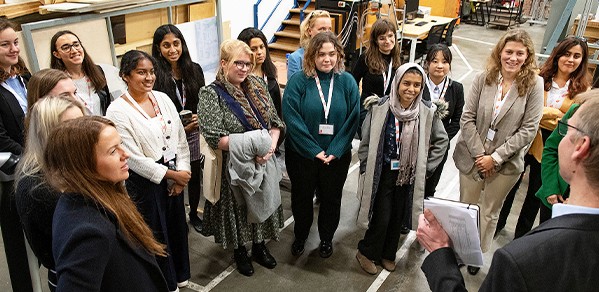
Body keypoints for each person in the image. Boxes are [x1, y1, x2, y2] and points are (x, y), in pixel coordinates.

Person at [417, 96, 599, 292]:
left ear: (581, 147)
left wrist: (440, 253)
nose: (559, 137)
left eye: (566, 129)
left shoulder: (522, 259)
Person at [452, 29, 543, 274]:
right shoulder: (485, 78)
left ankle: (475, 255)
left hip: (506, 165)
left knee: (489, 212)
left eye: (519, 53)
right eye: (509, 52)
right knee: (466, 207)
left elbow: (529, 129)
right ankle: (460, 250)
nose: (513, 58)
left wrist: (496, 157)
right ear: (500, 52)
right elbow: (467, 117)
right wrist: (480, 154)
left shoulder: (534, 85)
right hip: (473, 158)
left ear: (528, 56)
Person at [45, 116, 168, 291]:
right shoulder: (88, 233)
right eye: (112, 151)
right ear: (83, 165)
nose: (125, 154)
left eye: (121, 145)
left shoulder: (94, 199)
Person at [106, 50, 191, 292]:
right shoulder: (117, 110)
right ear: (126, 76)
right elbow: (132, 157)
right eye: (141, 72)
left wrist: (182, 173)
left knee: (176, 228)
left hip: (174, 171)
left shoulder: (163, 98)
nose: (148, 77)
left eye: (151, 72)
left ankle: (181, 274)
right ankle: (165, 282)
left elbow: (179, 138)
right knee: (155, 234)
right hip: (145, 182)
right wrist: (171, 176)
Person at [198, 39, 284, 277]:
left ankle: (259, 246)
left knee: (261, 201)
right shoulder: (210, 94)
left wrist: (270, 147)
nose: (244, 68)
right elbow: (215, 137)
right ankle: (240, 251)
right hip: (232, 167)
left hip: (263, 160)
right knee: (240, 209)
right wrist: (254, 145)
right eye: (238, 63)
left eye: (248, 63)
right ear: (224, 63)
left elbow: (275, 121)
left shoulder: (257, 85)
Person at [355, 63, 448, 275]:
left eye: (417, 85)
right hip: (383, 173)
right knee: (382, 216)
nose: (411, 89)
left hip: (408, 175)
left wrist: (426, 167)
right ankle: (367, 252)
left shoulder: (426, 111)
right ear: (397, 83)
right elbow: (366, 141)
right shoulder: (380, 107)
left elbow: (442, 142)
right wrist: (364, 167)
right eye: (406, 83)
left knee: (398, 217)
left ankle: (388, 254)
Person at [496, 36, 590, 238]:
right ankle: (497, 226)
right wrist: (556, 115)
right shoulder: (538, 78)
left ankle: (522, 237)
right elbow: (526, 112)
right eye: (566, 54)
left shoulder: (584, 91)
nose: (570, 60)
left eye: (576, 56)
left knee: (535, 195)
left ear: (582, 61)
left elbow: (570, 122)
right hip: (525, 138)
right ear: (557, 55)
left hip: (553, 146)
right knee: (508, 186)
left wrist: (542, 113)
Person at [283, 31, 359, 258]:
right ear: (311, 57)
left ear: (339, 55)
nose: (327, 59)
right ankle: (301, 235)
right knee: (301, 198)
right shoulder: (299, 82)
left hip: (336, 158)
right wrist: (314, 150)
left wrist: (335, 150)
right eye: (321, 54)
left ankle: (326, 239)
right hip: (302, 156)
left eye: (332, 54)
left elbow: (353, 119)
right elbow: (292, 118)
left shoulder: (347, 81)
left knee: (331, 199)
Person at [15, 95, 85, 291]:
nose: (82, 131)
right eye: (71, 125)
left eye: (82, 122)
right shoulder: (36, 186)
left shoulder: (73, 163)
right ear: (48, 131)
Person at [152, 24, 206, 234]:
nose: (173, 49)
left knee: (192, 175)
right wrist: (180, 126)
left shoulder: (194, 69)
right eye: (166, 45)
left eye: (176, 43)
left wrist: (199, 117)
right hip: (168, 135)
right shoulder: (155, 75)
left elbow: (202, 100)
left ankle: (193, 213)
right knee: (174, 176)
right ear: (158, 49)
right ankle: (176, 217)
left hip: (193, 133)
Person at [0, 18, 34, 292]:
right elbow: (0, 137)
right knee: (18, 246)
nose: (14, 49)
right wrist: (32, 157)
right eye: (5, 44)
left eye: (15, 42)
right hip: (12, 175)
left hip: (40, 165)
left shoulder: (24, 77)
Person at [422, 44, 464, 198]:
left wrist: (440, 141)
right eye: (435, 61)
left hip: (440, 147)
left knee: (430, 186)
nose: (440, 66)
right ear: (427, 64)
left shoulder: (457, 89)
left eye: (445, 61)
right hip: (417, 143)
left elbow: (457, 119)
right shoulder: (418, 84)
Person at [351, 18, 401, 137]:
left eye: (390, 36)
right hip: (369, 110)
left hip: (389, 109)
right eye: (382, 38)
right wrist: (357, 105)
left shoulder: (397, 58)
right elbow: (353, 82)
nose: (387, 41)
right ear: (375, 41)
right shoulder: (366, 58)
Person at [50, 31, 112, 115]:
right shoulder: (58, 82)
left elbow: (107, 105)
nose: (74, 50)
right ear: (57, 54)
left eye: (76, 45)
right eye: (66, 48)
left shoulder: (97, 71)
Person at [238, 27, 283, 118]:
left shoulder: (270, 71)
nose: (259, 52)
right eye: (253, 49)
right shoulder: (240, 78)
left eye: (262, 47)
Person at [287, 10, 332, 78]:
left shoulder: (334, 56)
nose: (327, 33)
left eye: (329, 29)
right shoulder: (296, 58)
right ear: (309, 31)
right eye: (322, 29)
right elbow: (293, 87)